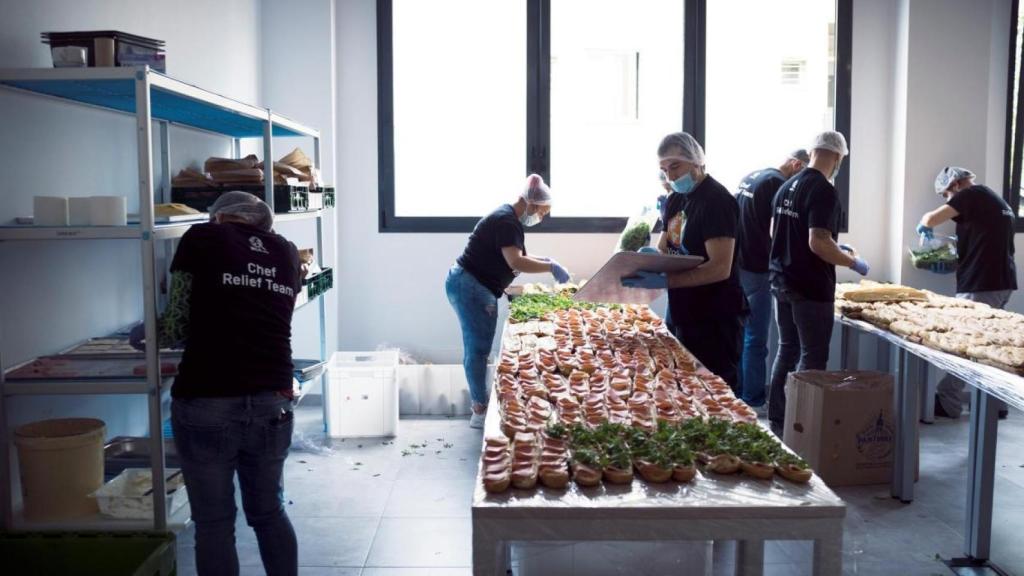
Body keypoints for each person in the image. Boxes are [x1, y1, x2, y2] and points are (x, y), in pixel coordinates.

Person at [131, 191, 302, 576]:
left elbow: (176, 326)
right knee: (269, 511)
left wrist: (143, 332)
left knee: (214, 522)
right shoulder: (287, 252)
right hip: (273, 398)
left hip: (209, 396)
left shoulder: (201, 238)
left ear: (220, 217)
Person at [623, 132, 747, 392]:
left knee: (716, 391)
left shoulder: (717, 202)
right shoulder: (676, 199)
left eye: (675, 166)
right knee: (688, 389)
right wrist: (649, 260)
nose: (670, 176)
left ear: (697, 161)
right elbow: (665, 244)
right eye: (664, 169)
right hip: (684, 310)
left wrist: (667, 279)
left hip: (716, 316)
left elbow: (719, 268)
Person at [447, 174, 571, 429]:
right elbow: (516, 262)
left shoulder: (509, 219)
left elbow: (518, 255)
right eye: (543, 212)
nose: (542, 218)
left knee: (478, 348)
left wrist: (546, 261)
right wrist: (550, 267)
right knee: (478, 350)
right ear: (532, 204)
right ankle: (479, 410)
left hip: (471, 283)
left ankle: (481, 404)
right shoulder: (506, 221)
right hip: (471, 286)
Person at [766, 131, 869, 435]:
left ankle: (778, 421)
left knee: (787, 349)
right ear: (838, 157)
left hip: (781, 280)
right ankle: (804, 426)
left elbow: (777, 232)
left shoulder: (786, 186)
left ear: (812, 152)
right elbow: (819, 242)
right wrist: (852, 262)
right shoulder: (824, 190)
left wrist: (837, 249)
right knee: (812, 355)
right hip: (810, 287)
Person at [918, 166, 1017, 419]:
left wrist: (924, 225)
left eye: (945, 194)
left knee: (963, 344)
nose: (947, 200)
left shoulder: (970, 194)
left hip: (981, 283)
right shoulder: (996, 200)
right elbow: (986, 241)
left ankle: (949, 401)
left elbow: (931, 219)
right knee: (990, 345)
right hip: (1001, 280)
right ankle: (996, 404)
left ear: (956, 185)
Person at [735, 149, 810, 410]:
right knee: (756, 339)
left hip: (738, 265)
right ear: (795, 164)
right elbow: (777, 230)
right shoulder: (778, 184)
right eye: (803, 173)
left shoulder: (752, 176)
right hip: (758, 269)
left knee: (741, 334)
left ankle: (738, 395)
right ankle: (753, 400)